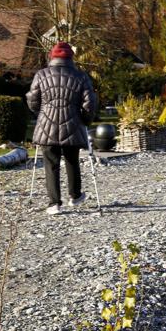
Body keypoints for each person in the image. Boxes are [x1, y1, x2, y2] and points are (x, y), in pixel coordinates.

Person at [26, 41, 98, 215]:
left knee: (51, 164)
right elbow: (90, 103)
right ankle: (75, 196)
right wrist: (85, 121)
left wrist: (42, 113)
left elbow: (32, 100)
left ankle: (54, 204)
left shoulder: (41, 75)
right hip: (72, 124)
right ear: (71, 58)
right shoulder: (81, 76)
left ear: (52, 56)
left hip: (46, 124)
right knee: (72, 161)